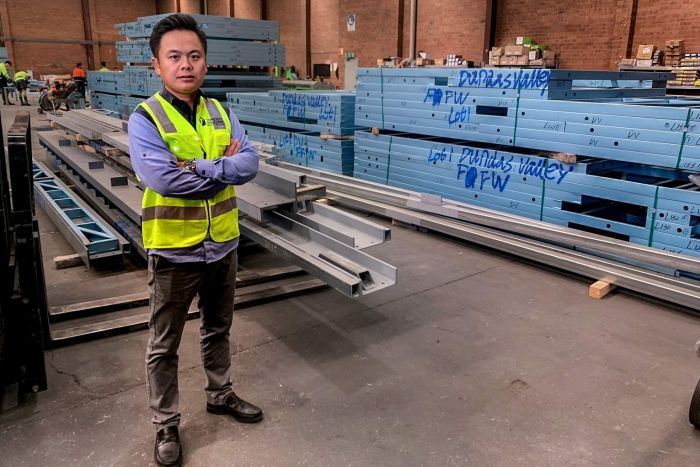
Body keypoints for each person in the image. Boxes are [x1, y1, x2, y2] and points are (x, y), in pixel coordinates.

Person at [127, 13, 261, 467]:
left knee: (217, 328)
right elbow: (162, 179)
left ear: (205, 61)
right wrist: (220, 170)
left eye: (195, 55)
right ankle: (165, 424)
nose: (186, 64)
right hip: (174, 251)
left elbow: (250, 165)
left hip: (223, 243)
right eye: (175, 56)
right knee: (164, 344)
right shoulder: (146, 117)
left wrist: (197, 168)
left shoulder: (221, 111)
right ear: (157, 64)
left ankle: (220, 393)